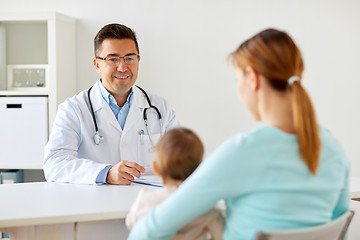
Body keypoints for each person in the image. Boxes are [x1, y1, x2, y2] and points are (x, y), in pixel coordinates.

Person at [128, 28, 350, 240]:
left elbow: (151, 228)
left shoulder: (244, 152)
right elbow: (341, 230)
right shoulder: (333, 149)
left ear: (252, 78)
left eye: (237, 80)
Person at [43, 23, 179, 185]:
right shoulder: (73, 109)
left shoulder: (160, 108)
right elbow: (54, 164)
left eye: (129, 58)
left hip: (147, 201)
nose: (122, 67)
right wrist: (105, 173)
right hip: (96, 205)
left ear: (138, 60)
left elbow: (180, 159)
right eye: (112, 59)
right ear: (97, 65)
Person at [126, 127, 224, 239]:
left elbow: (131, 224)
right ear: (200, 169)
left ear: (155, 169)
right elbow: (221, 235)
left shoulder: (145, 201)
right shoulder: (208, 207)